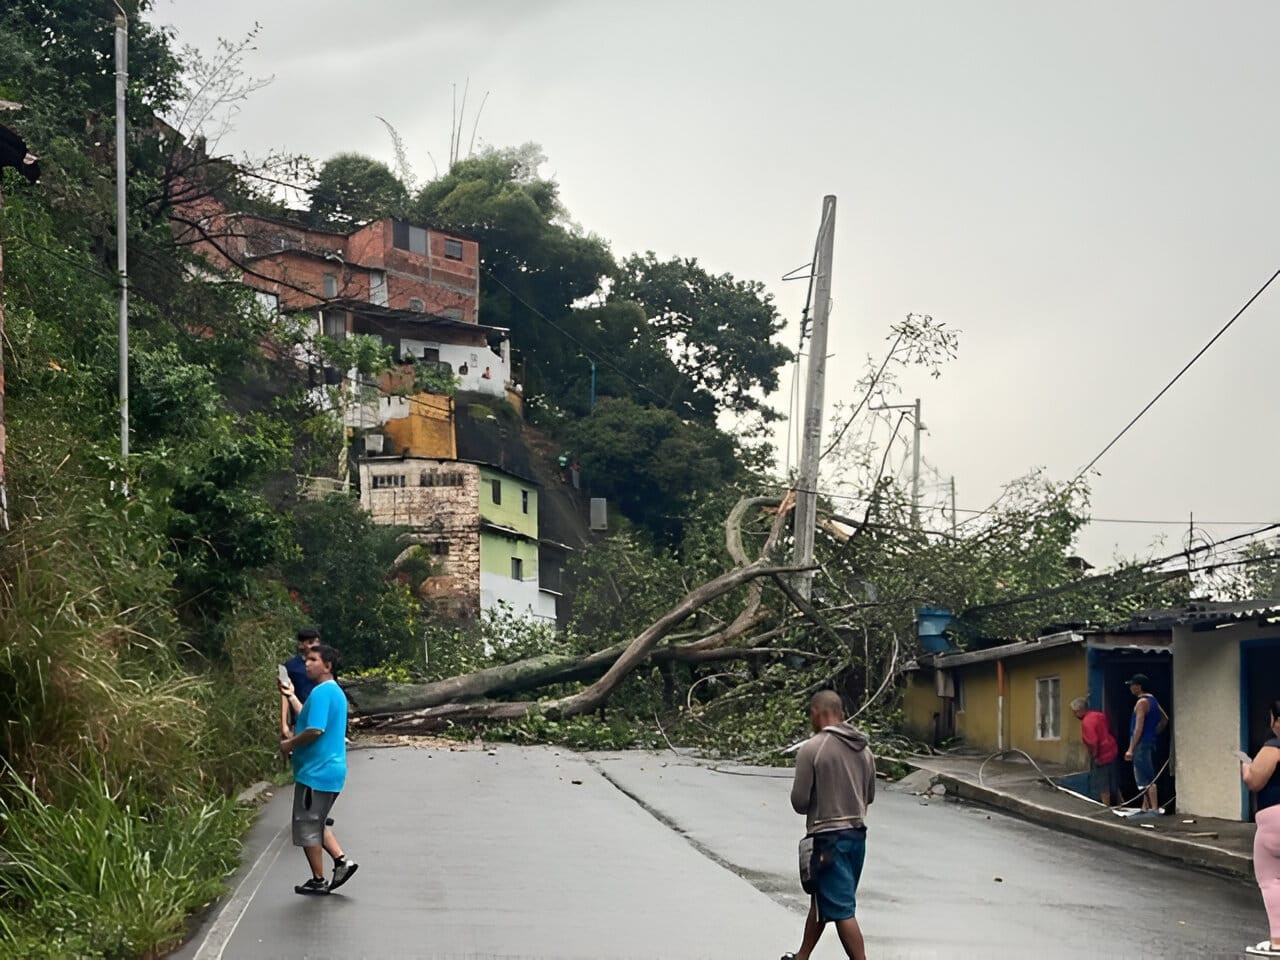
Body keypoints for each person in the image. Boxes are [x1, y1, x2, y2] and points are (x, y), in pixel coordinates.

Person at [782, 689, 875, 960]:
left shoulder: (813, 748)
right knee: (825, 899)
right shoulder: (865, 749)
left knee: (842, 909)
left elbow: (800, 802)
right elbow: (869, 796)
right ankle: (802, 956)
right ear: (841, 713)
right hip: (857, 836)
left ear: (816, 713)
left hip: (827, 839)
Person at [279, 644, 359, 895]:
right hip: (326, 771)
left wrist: (289, 744)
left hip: (317, 772)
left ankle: (320, 878)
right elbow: (309, 717)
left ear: (328, 666)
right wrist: (291, 695)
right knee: (316, 821)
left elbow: (315, 730)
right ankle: (341, 863)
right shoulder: (330, 692)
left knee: (307, 825)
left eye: (313, 659)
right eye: (306, 659)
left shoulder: (323, 692)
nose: (307, 663)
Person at [1241, 699, 1280, 957]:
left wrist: (1246, 767)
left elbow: (1254, 781)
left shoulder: (1273, 747)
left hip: (1274, 818)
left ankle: (1278, 941)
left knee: (1270, 880)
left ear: (1275, 721)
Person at [1122, 673, 1168, 811]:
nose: (1131, 688)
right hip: (1149, 741)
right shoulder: (1153, 700)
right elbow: (1164, 719)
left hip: (1140, 743)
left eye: (1132, 685)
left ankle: (1153, 807)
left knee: (1144, 776)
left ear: (1139, 686)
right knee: (1145, 774)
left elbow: (1138, 727)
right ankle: (1145, 807)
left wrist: (1131, 748)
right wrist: (1153, 732)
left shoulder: (1141, 703)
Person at [1071, 697, 1119, 805]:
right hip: (1111, 749)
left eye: (1075, 712)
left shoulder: (1087, 722)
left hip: (1102, 754)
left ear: (1080, 710)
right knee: (1113, 779)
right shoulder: (1099, 715)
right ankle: (1118, 803)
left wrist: (1094, 755)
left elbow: (1092, 741)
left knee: (1103, 783)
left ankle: (1106, 806)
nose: (1075, 715)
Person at [280, 627, 320, 740]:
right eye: (310, 642)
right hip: (300, 717)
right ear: (301, 645)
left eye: (317, 642)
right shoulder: (290, 667)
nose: (315, 645)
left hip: (321, 715)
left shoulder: (323, 664)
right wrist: (284, 724)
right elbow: (284, 694)